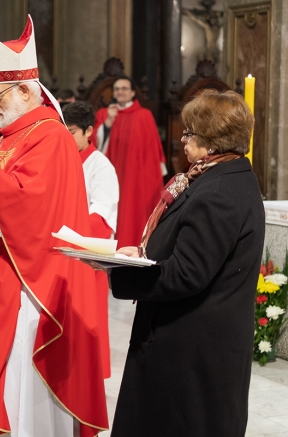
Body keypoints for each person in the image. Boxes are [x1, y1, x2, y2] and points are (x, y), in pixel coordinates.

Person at [0, 16, 108, 437]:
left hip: (30, 282)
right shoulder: (6, 135)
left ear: (26, 90)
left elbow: (29, 202)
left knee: (21, 381)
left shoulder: (49, 135)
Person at [107, 90, 264, 436]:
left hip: (190, 355)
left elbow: (187, 274)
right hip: (191, 347)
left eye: (190, 132)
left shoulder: (218, 193)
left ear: (212, 141)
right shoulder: (218, 178)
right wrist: (144, 255)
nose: (183, 138)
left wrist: (117, 272)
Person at [63, 100, 119, 378]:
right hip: (59, 255)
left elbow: (102, 220)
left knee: (86, 330)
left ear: (88, 131)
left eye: (70, 131)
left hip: (85, 259)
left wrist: (67, 231)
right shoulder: (59, 162)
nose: (65, 137)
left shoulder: (101, 167)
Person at [91, 76, 167, 248]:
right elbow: (94, 144)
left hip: (135, 177)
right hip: (111, 174)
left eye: (124, 88)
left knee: (133, 213)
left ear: (133, 93)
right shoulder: (104, 114)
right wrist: (109, 122)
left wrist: (154, 174)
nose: (120, 92)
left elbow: (153, 149)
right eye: (117, 89)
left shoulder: (144, 116)